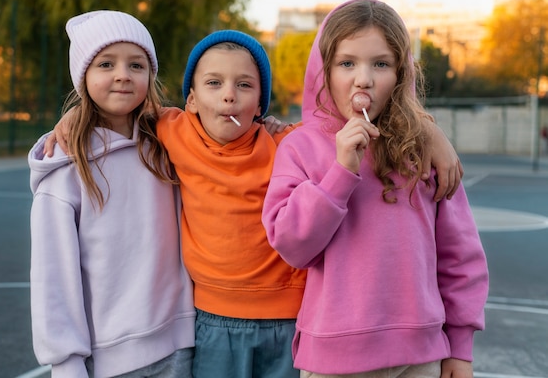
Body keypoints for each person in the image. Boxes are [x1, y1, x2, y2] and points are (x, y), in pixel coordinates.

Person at [43, 29, 463, 378]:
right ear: (190, 101)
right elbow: (122, 101)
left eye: (244, 85)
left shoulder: (287, 142)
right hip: (212, 321)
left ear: (260, 104)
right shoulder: (173, 130)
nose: (229, 96)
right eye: (213, 84)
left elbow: (340, 125)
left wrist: (429, 132)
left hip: (288, 319)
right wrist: (78, 114)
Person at [261, 0, 489, 378]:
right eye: (347, 63)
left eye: (380, 64)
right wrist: (341, 171)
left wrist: (460, 346)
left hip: (420, 356)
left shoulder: (425, 150)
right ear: (324, 71)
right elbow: (292, 245)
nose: (363, 78)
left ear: (401, 75)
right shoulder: (300, 147)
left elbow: (460, 255)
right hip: (333, 358)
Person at [28, 10, 195, 378]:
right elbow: (52, 277)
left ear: (150, 75)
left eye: (136, 64)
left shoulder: (170, 144)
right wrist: (67, 363)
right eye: (106, 63)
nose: (122, 74)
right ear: (83, 76)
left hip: (182, 346)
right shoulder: (65, 168)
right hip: (106, 363)